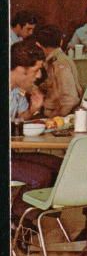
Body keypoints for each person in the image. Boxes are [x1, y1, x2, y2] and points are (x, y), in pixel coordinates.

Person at [10, 41, 61, 222]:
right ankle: (18, 219)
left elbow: (16, 121)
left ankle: (25, 217)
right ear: (21, 70)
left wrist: (32, 110)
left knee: (59, 166)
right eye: (36, 70)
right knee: (40, 176)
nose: (39, 75)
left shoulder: (17, 91)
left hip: (11, 152)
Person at [34, 24, 82, 117]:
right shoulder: (52, 61)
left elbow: (69, 100)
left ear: (38, 46)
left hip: (56, 116)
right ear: (61, 42)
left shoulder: (60, 64)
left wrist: (54, 119)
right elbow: (53, 83)